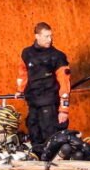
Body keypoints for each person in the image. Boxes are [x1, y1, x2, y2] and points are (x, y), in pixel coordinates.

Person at [15, 22, 72, 153]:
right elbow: (22, 73)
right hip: (33, 103)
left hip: (50, 105)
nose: (50, 39)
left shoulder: (58, 56)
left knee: (51, 139)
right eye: (46, 36)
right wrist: (20, 90)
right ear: (37, 36)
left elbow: (65, 84)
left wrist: (64, 110)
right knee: (34, 133)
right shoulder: (27, 53)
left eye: (51, 36)